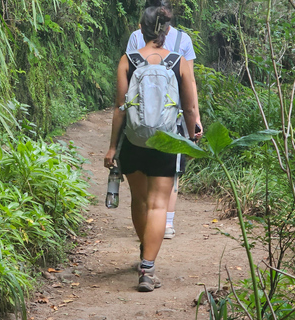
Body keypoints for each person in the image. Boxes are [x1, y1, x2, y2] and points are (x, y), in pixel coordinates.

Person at [104, 5, 202, 292]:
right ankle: (147, 269)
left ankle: (143, 254)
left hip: (133, 141)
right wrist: (194, 129)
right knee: (159, 204)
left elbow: (120, 109)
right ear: (167, 30)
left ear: (141, 27)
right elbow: (189, 106)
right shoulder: (178, 60)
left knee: (140, 200)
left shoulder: (128, 60)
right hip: (167, 141)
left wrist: (112, 147)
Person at [126, 0, 200, 240]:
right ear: (168, 20)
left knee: (142, 181)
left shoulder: (136, 38)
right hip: (173, 115)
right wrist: (195, 121)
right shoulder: (183, 40)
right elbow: (189, 84)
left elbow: (128, 84)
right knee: (172, 172)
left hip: (137, 119)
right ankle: (166, 222)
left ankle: (148, 222)